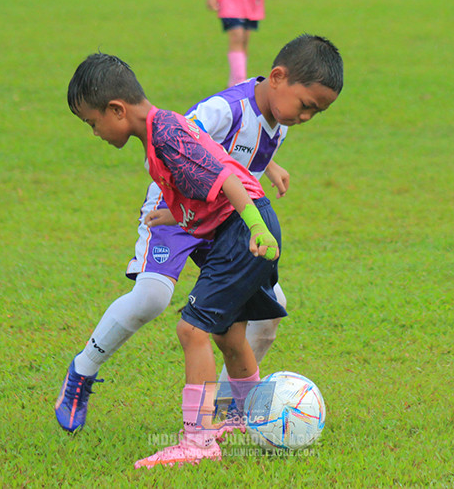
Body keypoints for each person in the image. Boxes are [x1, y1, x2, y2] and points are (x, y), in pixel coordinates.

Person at [54, 34, 343, 443]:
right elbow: (187, 140)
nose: (307, 117)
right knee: (153, 298)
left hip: (222, 218)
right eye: (307, 106)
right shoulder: (225, 107)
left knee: (268, 313)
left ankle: (225, 412)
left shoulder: (279, 121)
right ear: (277, 78)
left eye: (316, 111)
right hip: (174, 211)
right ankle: (82, 371)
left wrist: (269, 164)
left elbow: (240, 156)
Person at [65, 53, 284, 468]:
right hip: (238, 229)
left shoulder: (165, 135)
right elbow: (200, 189)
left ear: (117, 110)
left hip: (242, 231)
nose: (94, 133)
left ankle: (197, 442)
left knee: (192, 330)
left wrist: (255, 226)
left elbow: (226, 177)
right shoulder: (158, 133)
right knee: (229, 336)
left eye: (92, 123)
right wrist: (176, 214)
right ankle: (247, 419)